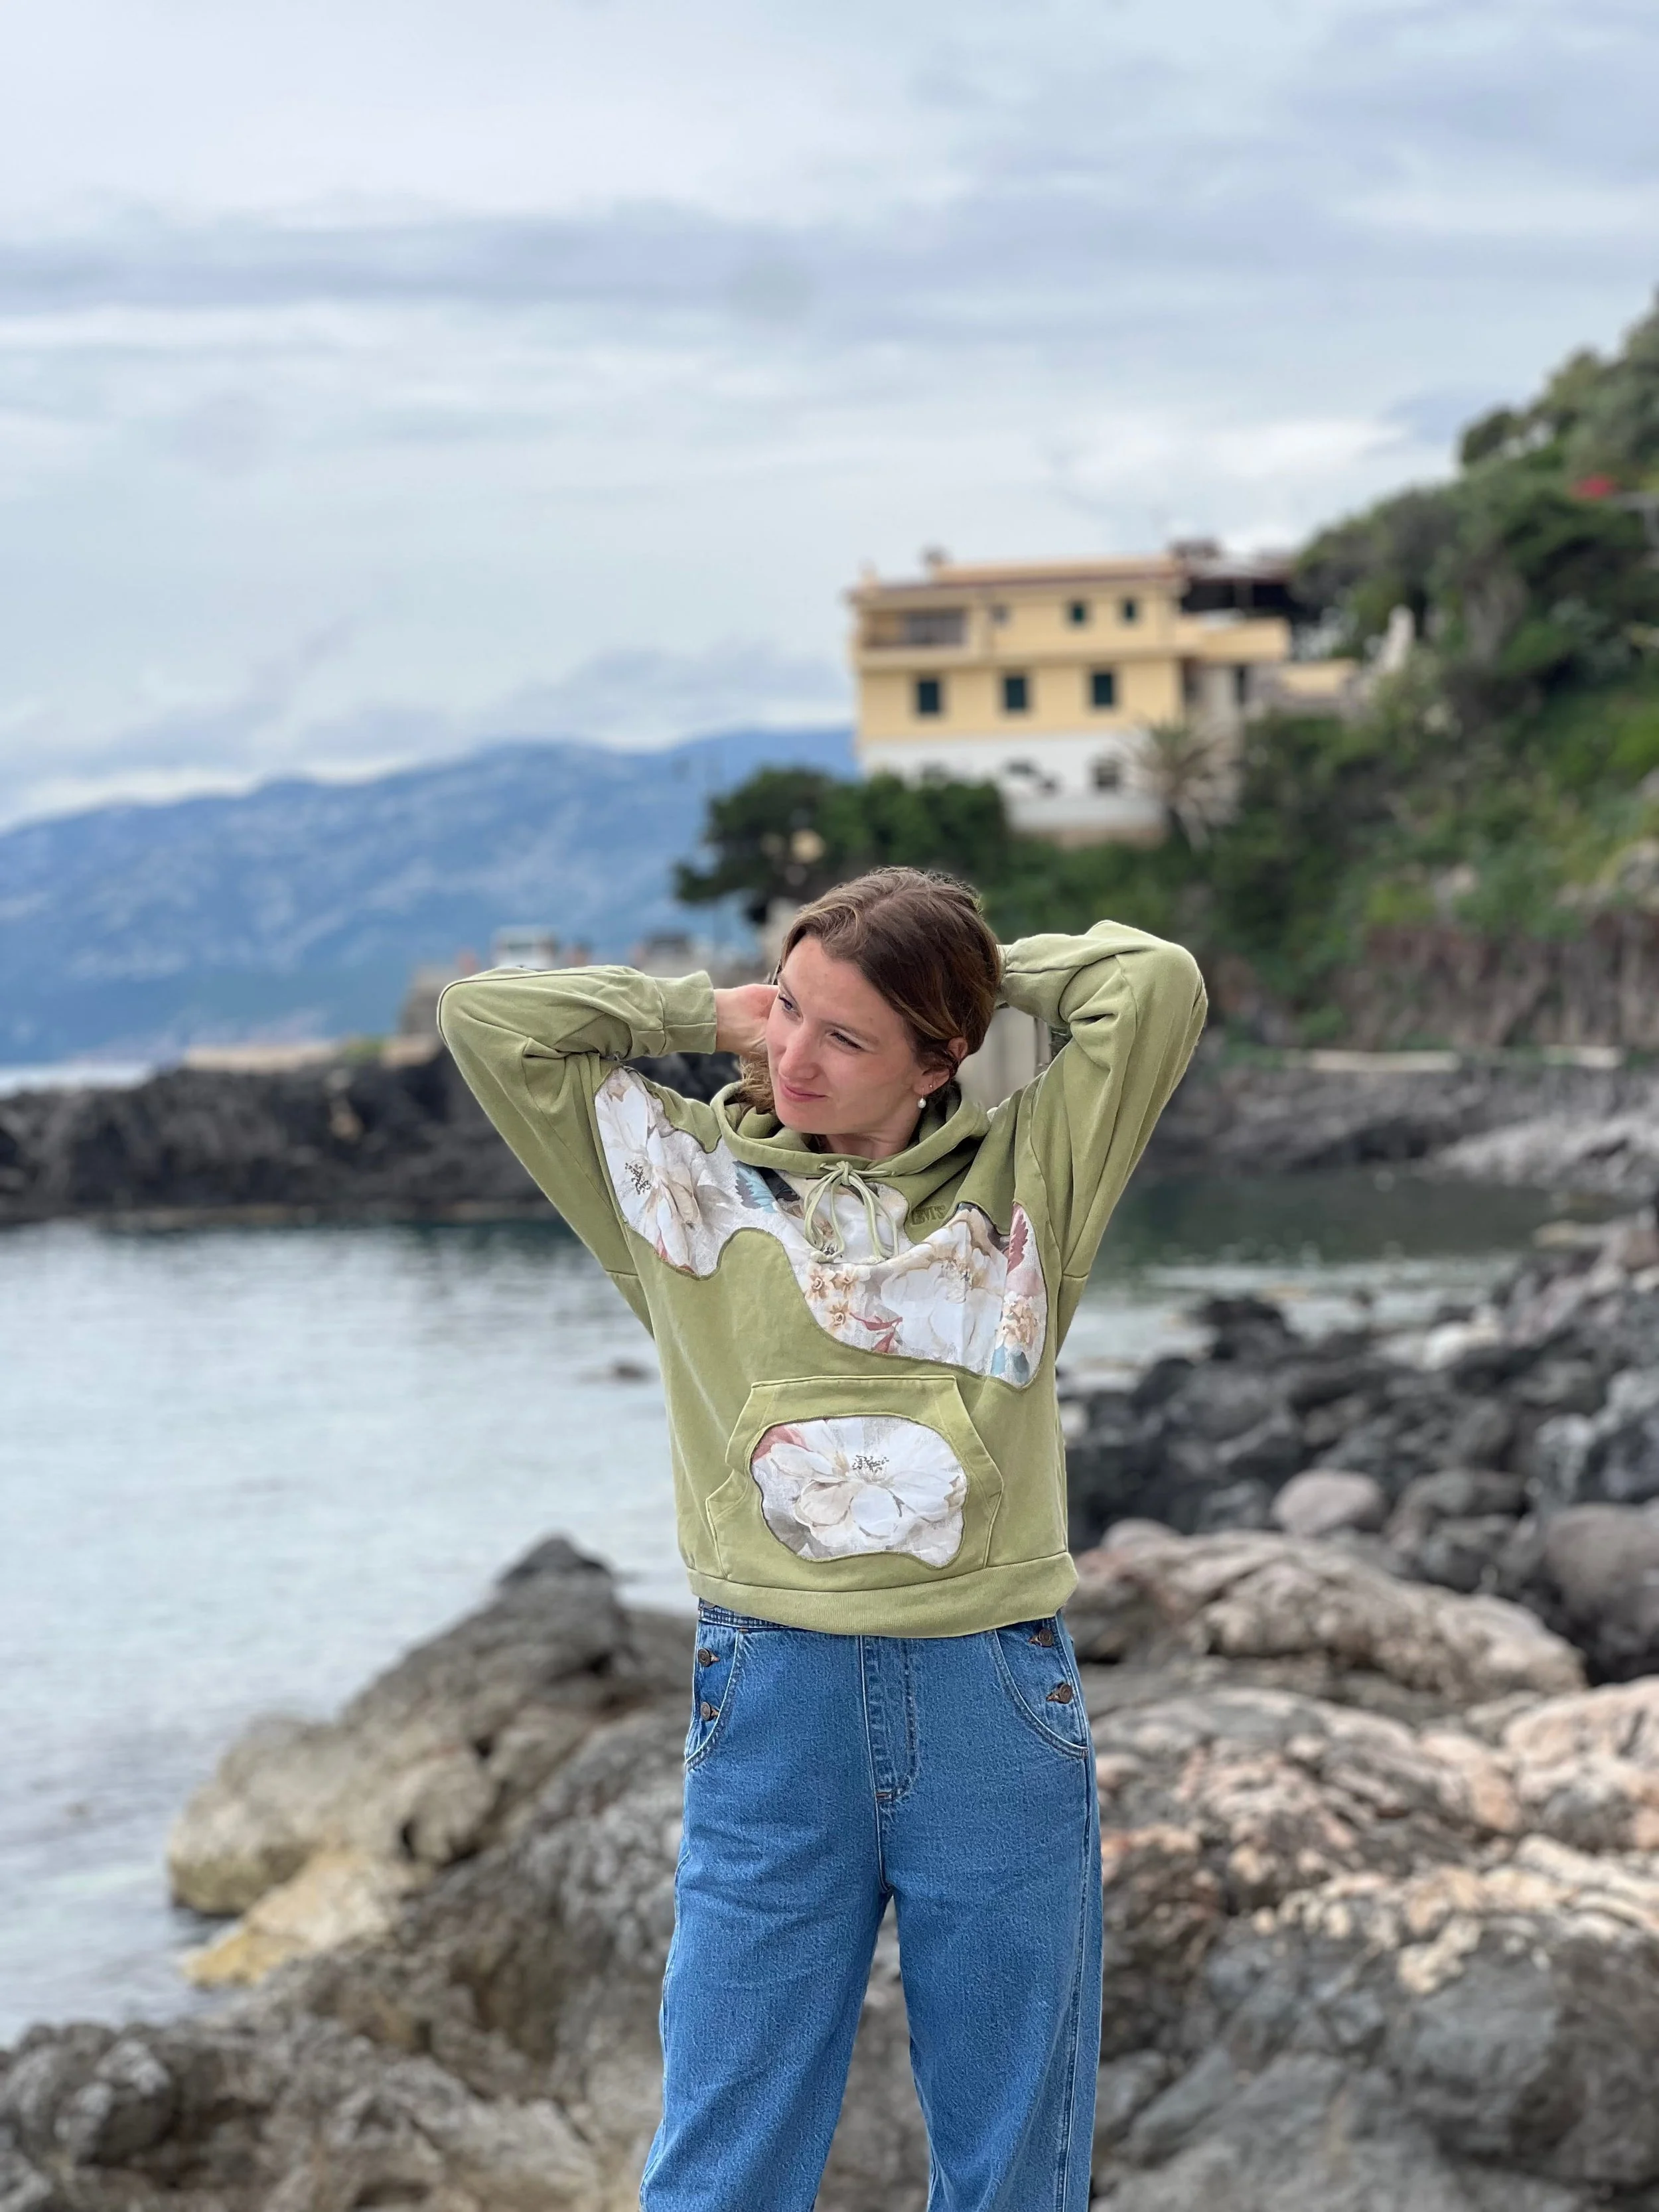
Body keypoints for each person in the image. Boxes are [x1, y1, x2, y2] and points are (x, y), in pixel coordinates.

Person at [439, 868, 1206, 2212]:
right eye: (788, 1008)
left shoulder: (1033, 1172)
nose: (793, 1057)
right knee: (722, 2159)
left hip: (987, 1696)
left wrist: (971, 974)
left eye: (845, 1036)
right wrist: (704, 1011)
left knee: (1013, 2161)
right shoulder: (674, 1178)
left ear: (940, 1060)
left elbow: (1153, 985)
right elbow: (487, 1019)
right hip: (772, 1698)